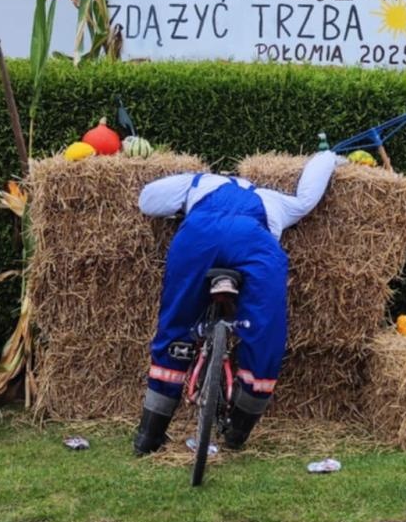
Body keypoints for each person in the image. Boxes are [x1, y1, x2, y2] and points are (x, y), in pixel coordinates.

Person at [132, 150, 340, 455]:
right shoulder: (275, 199)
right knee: (264, 330)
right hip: (254, 244)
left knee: (176, 324)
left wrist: (177, 211)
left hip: (199, 236)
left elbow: (147, 200)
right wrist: (330, 157)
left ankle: (149, 436)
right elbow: (308, 196)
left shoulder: (197, 181)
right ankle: (239, 430)